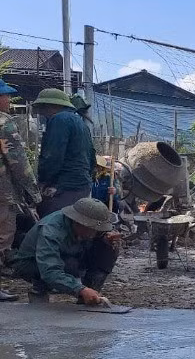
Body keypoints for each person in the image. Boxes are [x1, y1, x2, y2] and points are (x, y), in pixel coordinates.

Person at [10, 198, 121, 305]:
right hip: (32, 263)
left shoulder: (85, 231)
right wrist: (79, 289)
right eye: (93, 229)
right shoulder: (50, 231)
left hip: (71, 254)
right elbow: (50, 270)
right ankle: (40, 288)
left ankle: (90, 293)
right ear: (79, 223)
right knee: (68, 265)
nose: (95, 232)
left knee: (108, 248)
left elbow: (99, 241)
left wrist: (105, 240)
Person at [0, 79, 41, 302]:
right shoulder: (4, 123)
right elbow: (18, 162)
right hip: (2, 192)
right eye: (5, 96)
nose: (8, 100)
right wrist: (33, 192)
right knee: (2, 236)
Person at [33, 88, 95, 217]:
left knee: (52, 226)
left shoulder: (59, 120)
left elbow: (52, 156)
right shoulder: (81, 123)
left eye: (42, 109)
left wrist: (43, 181)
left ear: (50, 106)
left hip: (64, 187)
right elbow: (92, 157)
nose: (42, 113)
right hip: (81, 186)